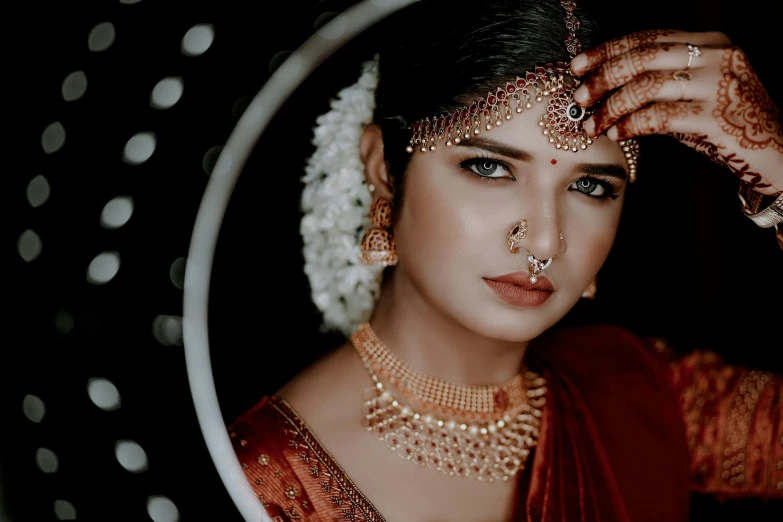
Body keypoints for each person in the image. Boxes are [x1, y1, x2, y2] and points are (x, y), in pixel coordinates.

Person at [227, 0, 783, 520]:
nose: (543, 243)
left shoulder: (645, 398)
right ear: (382, 167)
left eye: (589, 185)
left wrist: (776, 168)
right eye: (490, 169)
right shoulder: (262, 480)